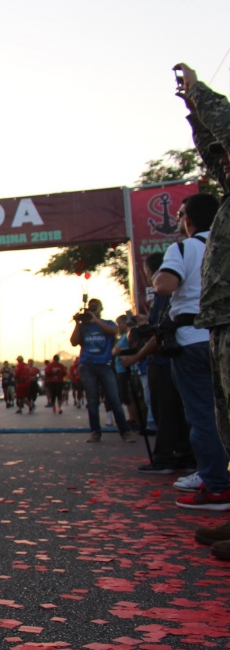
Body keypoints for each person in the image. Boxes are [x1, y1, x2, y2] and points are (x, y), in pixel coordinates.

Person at [175, 66, 230, 555]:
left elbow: (226, 130)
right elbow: (217, 154)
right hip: (218, 323)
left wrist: (199, 93)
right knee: (223, 420)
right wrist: (194, 114)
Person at [152, 192, 230, 512]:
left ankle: (217, 486)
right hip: (222, 336)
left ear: (188, 218)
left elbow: (165, 287)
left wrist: (157, 276)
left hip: (193, 339)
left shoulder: (184, 247)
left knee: (203, 415)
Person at [119, 253, 193, 475]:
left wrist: (135, 357)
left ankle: (164, 458)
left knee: (164, 412)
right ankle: (185, 455)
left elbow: (160, 332)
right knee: (180, 412)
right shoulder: (181, 290)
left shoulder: (163, 293)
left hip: (162, 360)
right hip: (180, 356)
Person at [69, 299, 134, 443]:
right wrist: (77, 324)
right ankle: (95, 432)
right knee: (92, 401)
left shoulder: (108, 323)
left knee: (114, 399)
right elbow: (73, 342)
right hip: (87, 366)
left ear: (100, 309)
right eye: (90, 310)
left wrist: (96, 320)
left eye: (95, 308)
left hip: (105, 364)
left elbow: (114, 331)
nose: (92, 312)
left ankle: (125, 431)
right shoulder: (83, 327)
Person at [111, 316, 141, 429]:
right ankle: (132, 418)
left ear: (125, 323)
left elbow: (115, 351)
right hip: (123, 369)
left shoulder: (125, 337)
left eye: (119, 323)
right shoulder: (126, 337)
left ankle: (134, 419)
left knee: (128, 395)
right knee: (128, 395)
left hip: (125, 369)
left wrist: (115, 350)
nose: (118, 326)